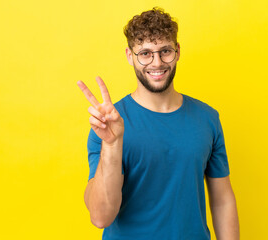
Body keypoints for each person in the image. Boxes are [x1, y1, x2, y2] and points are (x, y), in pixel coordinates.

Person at [77, 7, 239, 240]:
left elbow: (222, 200)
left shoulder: (208, 118)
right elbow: (101, 217)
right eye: (145, 53)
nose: (157, 63)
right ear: (129, 56)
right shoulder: (108, 125)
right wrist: (112, 145)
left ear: (177, 51)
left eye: (165, 51)